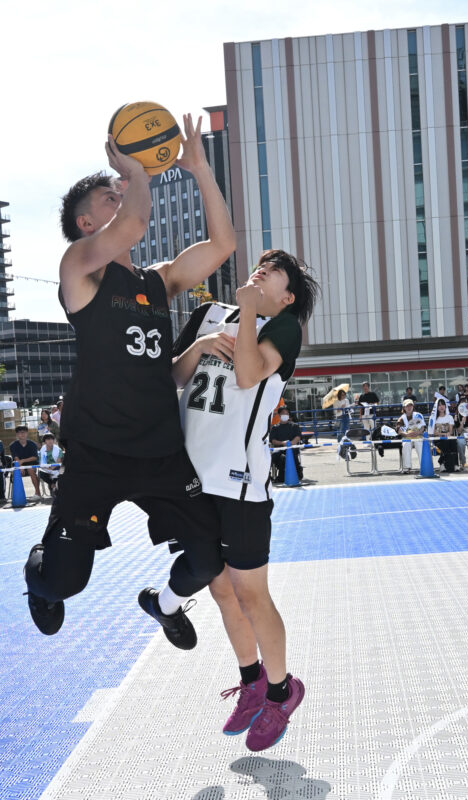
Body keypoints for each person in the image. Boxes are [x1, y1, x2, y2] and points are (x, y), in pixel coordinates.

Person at [22, 112, 236, 645]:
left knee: (209, 557)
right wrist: (137, 172)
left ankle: (163, 604)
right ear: (88, 225)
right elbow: (136, 224)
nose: (120, 198)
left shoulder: (157, 282)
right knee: (64, 583)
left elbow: (223, 244)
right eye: (108, 199)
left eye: (120, 193)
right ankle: (40, 582)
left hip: (160, 452)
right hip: (97, 452)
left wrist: (198, 168)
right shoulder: (79, 270)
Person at [169, 249, 318, 752]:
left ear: (287, 294)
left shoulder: (285, 325)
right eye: (261, 264)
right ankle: (252, 680)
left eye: (274, 271)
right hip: (194, 479)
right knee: (222, 593)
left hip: (240, 482)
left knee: (251, 593)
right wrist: (206, 341)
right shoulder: (209, 316)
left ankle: (282, 691)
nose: (262, 271)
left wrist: (251, 309)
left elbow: (250, 375)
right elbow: (171, 377)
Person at [270, 409, 305, 483]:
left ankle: (297, 472)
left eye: (287, 413)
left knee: (291, 454)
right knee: (280, 457)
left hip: (292, 448)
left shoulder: (294, 426)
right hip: (279, 449)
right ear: (279, 415)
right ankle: (281, 476)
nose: (285, 415)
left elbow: (298, 437)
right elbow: (273, 440)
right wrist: (282, 443)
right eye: (283, 413)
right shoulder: (275, 428)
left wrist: (291, 443)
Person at [8, 425, 42, 498]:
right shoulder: (13, 445)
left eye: (24, 432)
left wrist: (23, 461)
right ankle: (17, 496)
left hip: (31, 464)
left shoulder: (32, 444)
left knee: (30, 469)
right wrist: (20, 466)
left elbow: (34, 457)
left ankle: (37, 493)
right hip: (18, 465)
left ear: (27, 433)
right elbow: (15, 457)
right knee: (17, 472)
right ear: (17, 434)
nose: (22, 434)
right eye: (20, 432)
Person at [397, 399, 426, 473]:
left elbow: (423, 427)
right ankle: (407, 467)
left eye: (410, 405)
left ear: (413, 406)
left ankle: (424, 466)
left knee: (419, 444)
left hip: (418, 435)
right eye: (407, 406)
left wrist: (418, 432)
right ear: (404, 408)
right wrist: (406, 434)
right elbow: (398, 430)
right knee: (406, 444)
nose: (409, 407)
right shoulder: (401, 418)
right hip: (407, 436)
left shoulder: (418, 415)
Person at [431, 399, 459, 473]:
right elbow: (433, 432)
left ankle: (455, 464)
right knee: (445, 443)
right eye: (439, 405)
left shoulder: (449, 417)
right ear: (436, 407)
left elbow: (451, 431)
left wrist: (448, 433)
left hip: (448, 438)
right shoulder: (434, 418)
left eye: (443, 405)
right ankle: (442, 464)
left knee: (453, 442)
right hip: (438, 440)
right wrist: (443, 434)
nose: (441, 407)